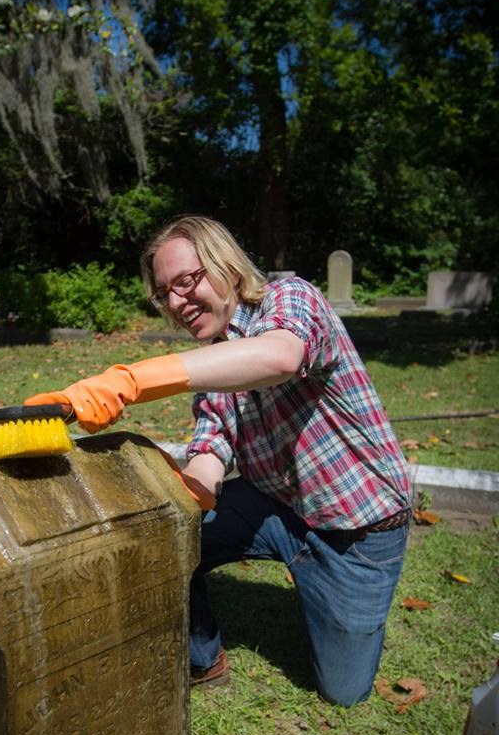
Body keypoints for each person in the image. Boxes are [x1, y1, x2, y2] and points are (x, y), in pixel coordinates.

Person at [26, 215, 412, 706]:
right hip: (277, 508)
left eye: (186, 281)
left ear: (227, 266)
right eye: (164, 293)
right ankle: (203, 660)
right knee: (165, 538)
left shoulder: (290, 297)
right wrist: (183, 493)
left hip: (359, 534)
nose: (176, 303)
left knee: (343, 692)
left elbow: (279, 357)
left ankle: (342, 603)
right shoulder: (215, 357)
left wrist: (130, 380)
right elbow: (211, 449)